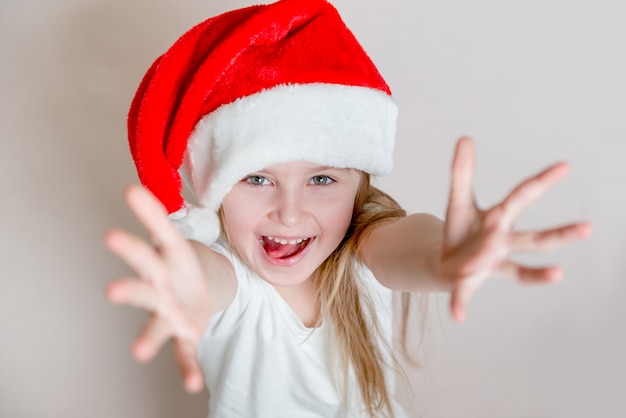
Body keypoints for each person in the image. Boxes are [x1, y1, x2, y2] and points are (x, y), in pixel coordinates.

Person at [105, 0, 592, 417]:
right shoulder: (234, 280)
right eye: (257, 179)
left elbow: (408, 241)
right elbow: (206, 278)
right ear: (216, 191)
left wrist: (447, 253)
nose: (290, 213)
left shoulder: (362, 249)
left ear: (358, 183)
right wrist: (184, 279)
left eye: (321, 180)